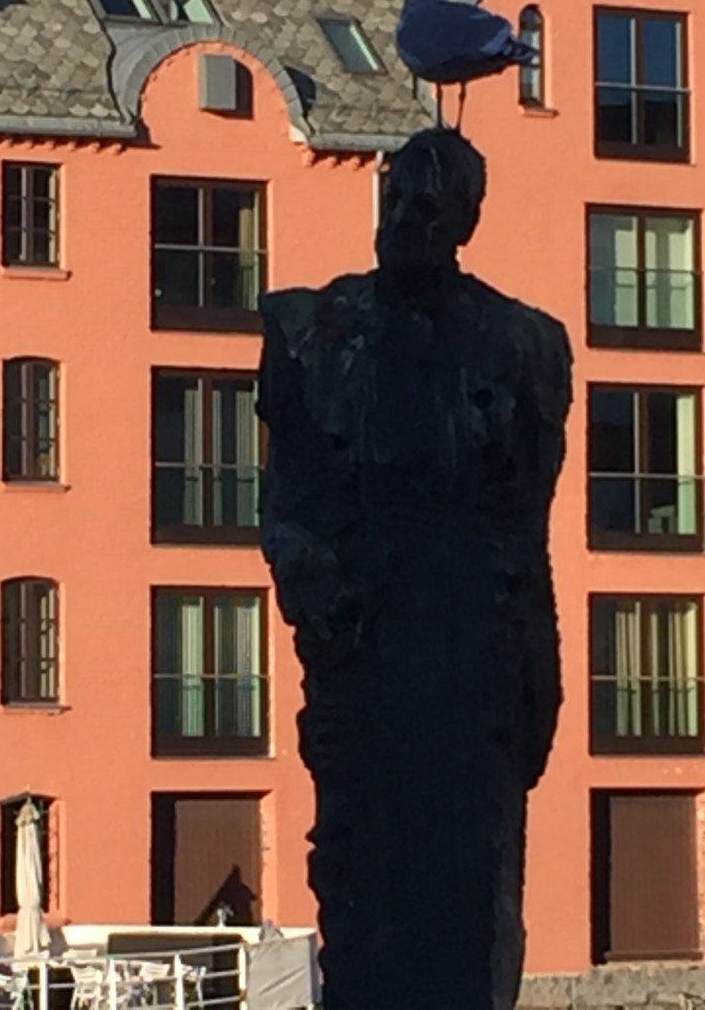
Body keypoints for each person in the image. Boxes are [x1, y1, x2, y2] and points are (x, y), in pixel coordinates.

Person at [258, 127, 572, 1010]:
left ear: (465, 222)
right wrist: (308, 571)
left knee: (467, 903)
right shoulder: (309, 331)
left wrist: (537, 675)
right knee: (363, 891)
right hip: (365, 645)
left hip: (469, 649)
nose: (400, 219)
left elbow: (528, 527)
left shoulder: (523, 345)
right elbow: (285, 503)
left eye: (425, 206)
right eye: (393, 197)